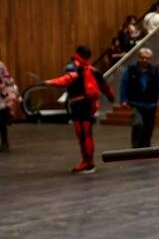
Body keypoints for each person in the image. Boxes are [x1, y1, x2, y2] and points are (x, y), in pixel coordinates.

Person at [47, 45, 115, 174]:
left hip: (77, 104)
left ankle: (88, 163)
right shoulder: (93, 70)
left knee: (83, 134)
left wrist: (49, 82)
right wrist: (111, 97)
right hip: (89, 104)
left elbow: (65, 80)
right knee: (87, 134)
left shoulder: (73, 68)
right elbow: (105, 87)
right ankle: (88, 162)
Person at [119, 47, 159, 149]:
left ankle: (146, 147)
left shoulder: (155, 70)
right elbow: (124, 84)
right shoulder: (131, 70)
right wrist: (123, 99)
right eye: (142, 58)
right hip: (136, 103)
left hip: (151, 104)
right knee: (137, 125)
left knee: (149, 127)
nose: (144, 60)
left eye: (147, 58)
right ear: (138, 58)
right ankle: (136, 147)